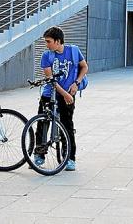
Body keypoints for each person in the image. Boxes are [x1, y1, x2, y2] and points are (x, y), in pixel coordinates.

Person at [36, 26, 88, 171]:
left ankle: (70, 158)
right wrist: (65, 94)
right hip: (49, 93)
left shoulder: (73, 51)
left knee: (67, 125)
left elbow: (84, 67)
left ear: (58, 41)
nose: (47, 45)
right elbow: (50, 79)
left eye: (49, 41)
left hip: (69, 93)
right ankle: (39, 155)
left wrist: (76, 83)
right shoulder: (47, 55)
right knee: (42, 123)